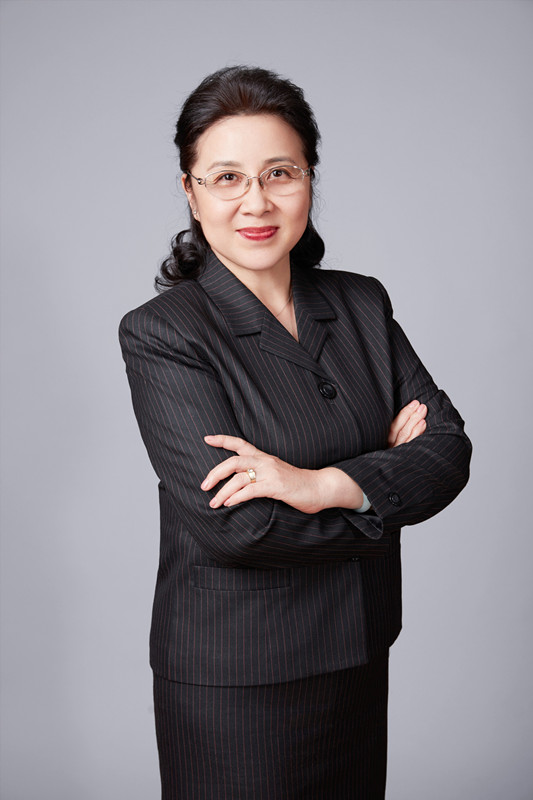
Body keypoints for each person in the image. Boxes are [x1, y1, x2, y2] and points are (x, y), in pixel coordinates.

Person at [119, 65, 471, 799]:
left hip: (358, 654)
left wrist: (320, 485)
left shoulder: (361, 303)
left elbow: (446, 451)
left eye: (280, 172)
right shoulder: (165, 333)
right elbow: (239, 528)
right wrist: (381, 484)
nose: (257, 201)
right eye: (227, 178)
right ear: (190, 191)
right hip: (237, 678)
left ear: (309, 178)